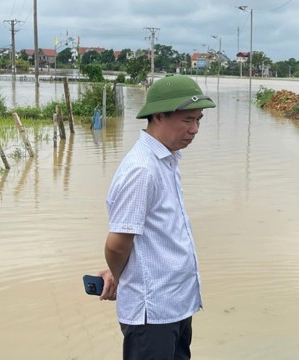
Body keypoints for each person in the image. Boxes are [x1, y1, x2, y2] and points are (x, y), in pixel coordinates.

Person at [99, 75, 216, 360]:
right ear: (159, 116)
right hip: (152, 314)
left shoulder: (166, 160)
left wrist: (121, 272)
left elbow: (152, 235)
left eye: (199, 120)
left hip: (175, 305)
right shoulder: (142, 169)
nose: (195, 129)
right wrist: (120, 276)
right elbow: (116, 243)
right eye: (187, 120)